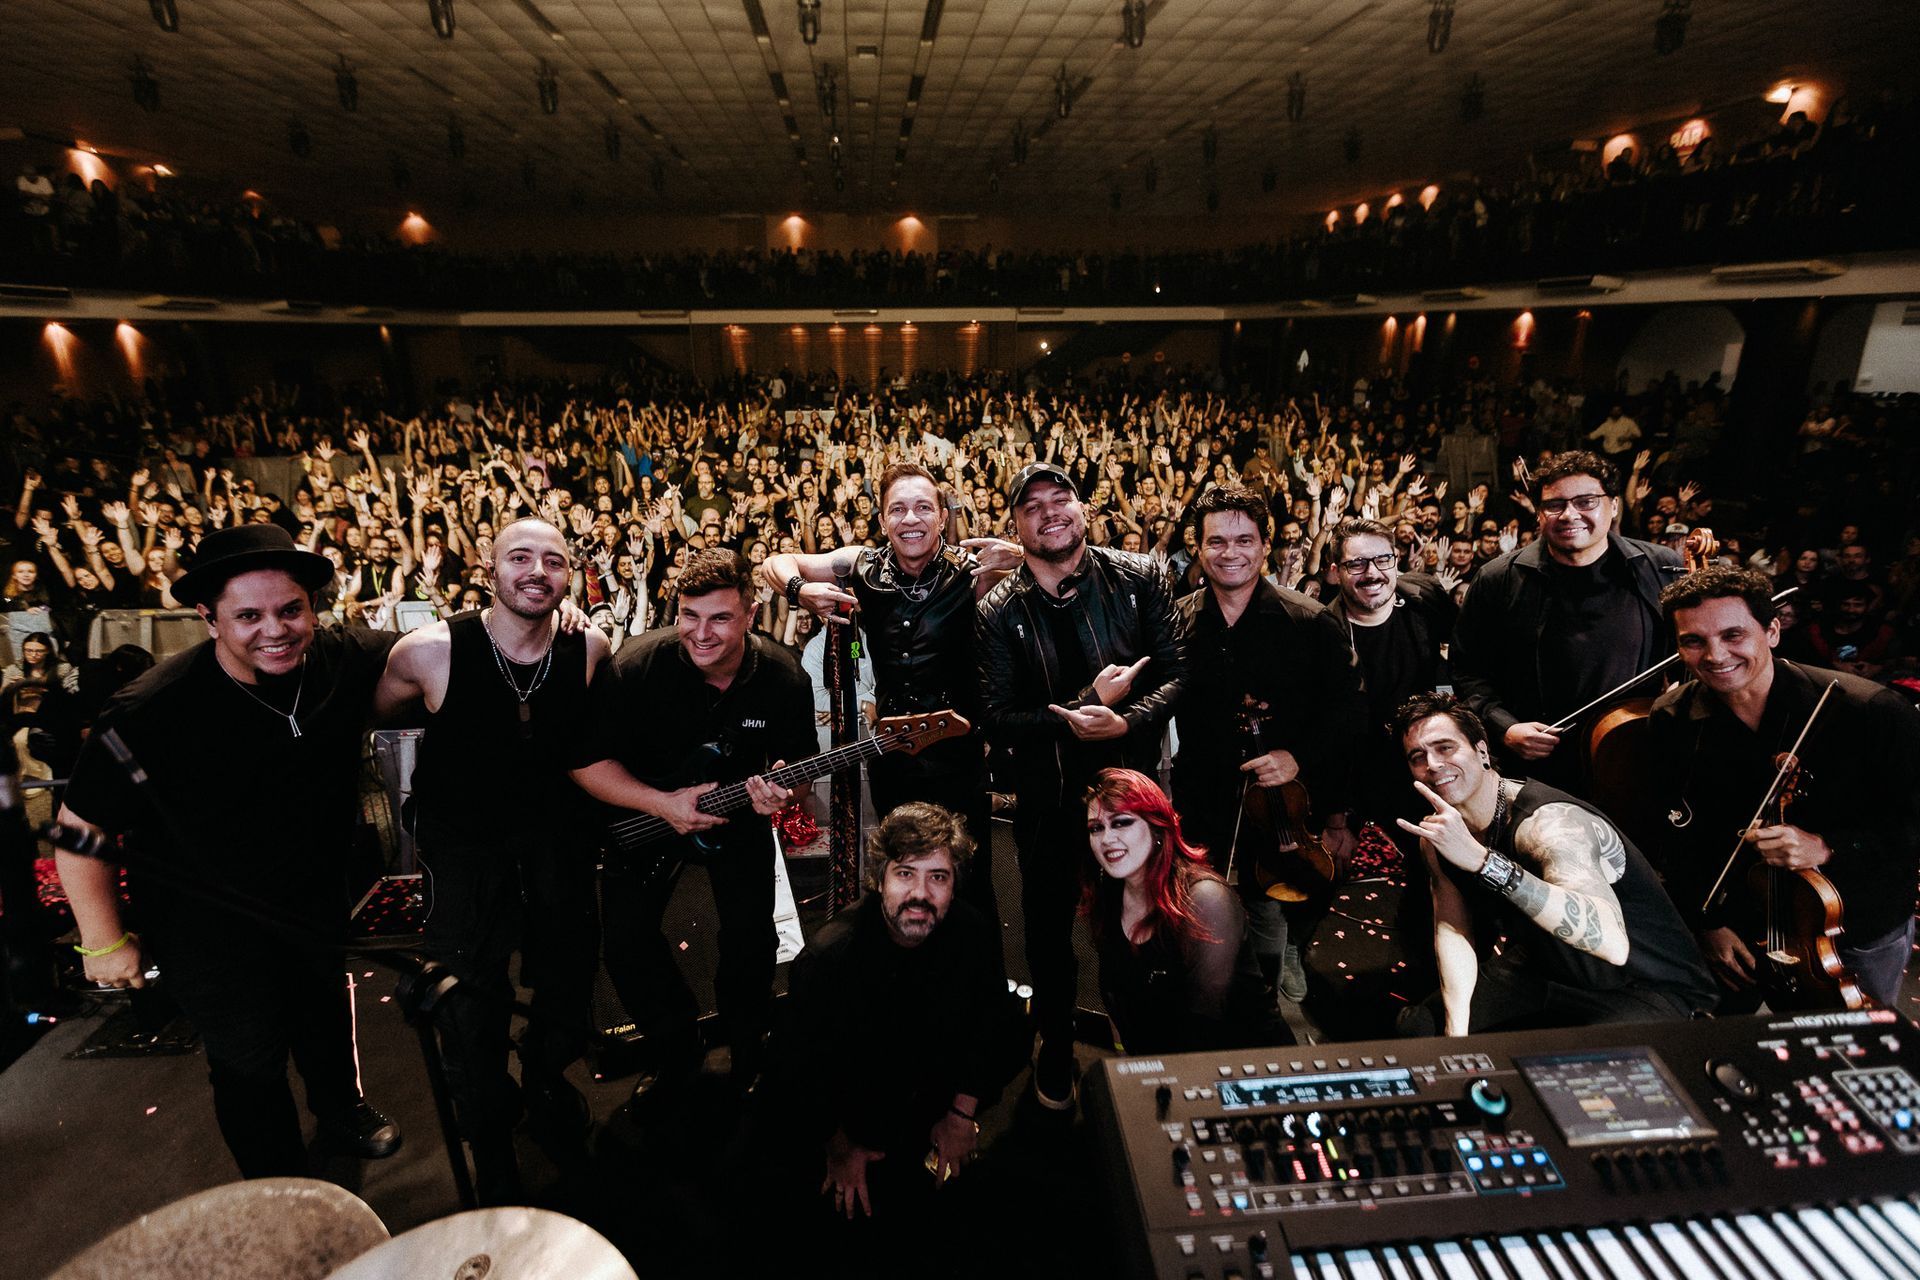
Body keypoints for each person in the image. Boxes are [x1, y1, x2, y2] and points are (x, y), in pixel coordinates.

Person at [53, 525, 404, 1178]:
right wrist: (102, 942)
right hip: (205, 924)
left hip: (310, 900)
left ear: (312, 608)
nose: (275, 630)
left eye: (290, 609)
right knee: (249, 1059)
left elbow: (439, 647)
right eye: (248, 616)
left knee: (325, 1017)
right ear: (208, 618)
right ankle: (277, 1186)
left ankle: (342, 1112)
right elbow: (78, 831)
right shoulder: (150, 708)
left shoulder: (342, 659)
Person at [374, 516, 609, 1202]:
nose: (537, 571)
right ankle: (490, 1133)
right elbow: (380, 712)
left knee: (565, 980)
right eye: (520, 557)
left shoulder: (589, 646)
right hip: (464, 850)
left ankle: (545, 1082)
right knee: (469, 996)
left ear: (570, 576)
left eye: (553, 561)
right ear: (490, 568)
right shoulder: (430, 651)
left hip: (557, 845)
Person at [976, 461, 1187, 1109]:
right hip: (1050, 801)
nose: (1049, 512)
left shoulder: (1140, 576)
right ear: (1016, 525)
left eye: (1059, 497)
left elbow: (1179, 673)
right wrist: (1083, 708)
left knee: (1142, 923)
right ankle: (1057, 1043)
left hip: (1132, 796)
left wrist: (1126, 720)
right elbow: (996, 717)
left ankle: (1146, 1039)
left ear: (1083, 507)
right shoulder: (998, 611)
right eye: (1031, 505)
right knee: (1047, 934)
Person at [1644, 566, 1920, 1010]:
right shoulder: (1671, 718)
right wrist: (1706, 923)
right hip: (1740, 925)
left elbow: (1909, 827)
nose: (1715, 655)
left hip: (1854, 922)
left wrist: (1828, 847)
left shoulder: (1872, 712)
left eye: (1733, 635)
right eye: (1693, 641)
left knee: (1850, 1042)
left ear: (1772, 631)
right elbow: (1671, 835)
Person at [592, 549, 814, 1097]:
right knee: (626, 943)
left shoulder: (784, 675)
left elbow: (801, 772)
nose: (701, 633)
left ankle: (748, 1051)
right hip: (643, 816)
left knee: (752, 941)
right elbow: (588, 762)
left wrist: (783, 792)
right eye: (690, 616)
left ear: (751, 614)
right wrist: (659, 803)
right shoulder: (635, 666)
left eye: (719, 618)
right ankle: (676, 1051)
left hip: (736, 815)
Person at [761, 462, 1021, 919]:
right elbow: (775, 563)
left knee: (969, 885)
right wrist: (800, 590)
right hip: (893, 757)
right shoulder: (862, 565)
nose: (911, 519)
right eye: (898, 509)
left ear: (942, 516)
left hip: (958, 757)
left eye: (923, 507)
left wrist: (1020, 554)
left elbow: (1059, 564)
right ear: (882, 520)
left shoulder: (973, 570)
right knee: (899, 879)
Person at [1393, 692, 1716, 1036]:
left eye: (1445, 748)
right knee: (1420, 1028)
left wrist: (1484, 862)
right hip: (1545, 966)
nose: (1433, 764)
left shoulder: (1551, 824)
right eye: (1418, 756)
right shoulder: (1438, 838)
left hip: (1643, 983)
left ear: (1482, 751)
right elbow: (1453, 931)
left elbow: (1611, 942)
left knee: (1579, 1062)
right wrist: (1457, 1032)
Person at [775, 801, 1015, 1262]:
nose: (920, 893)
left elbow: (992, 1027)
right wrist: (839, 1148)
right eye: (905, 874)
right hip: (854, 1118)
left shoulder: (972, 933)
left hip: (935, 1101)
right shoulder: (828, 960)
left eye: (938, 876)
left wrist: (961, 1115)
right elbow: (800, 1074)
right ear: (880, 878)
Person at [1170, 484, 1364, 1004]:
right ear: (1198, 547)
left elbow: (1348, 712)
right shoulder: (1177, 622)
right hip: (1202, 798)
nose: (1230, 553)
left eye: (1244, 541)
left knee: (1269, 911)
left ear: (1264, 545)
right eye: (1216, 541)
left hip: (1282, 805)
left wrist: (1299, 756)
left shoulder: (1310, 621)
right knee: (1200, 912)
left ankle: (1267, 999)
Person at [1450, 451, 1682, 791]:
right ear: (1539, 514)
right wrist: (1505, 727)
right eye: (1554, 505)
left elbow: (1687, 651)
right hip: (1536, 768)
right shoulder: (1497, 579)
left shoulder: (1660, 567)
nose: (1569, 514)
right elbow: (1467, 669)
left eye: (1586, 501)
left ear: (1614, 505)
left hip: (1632, 754)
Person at [1084, 768, 1287, 1053]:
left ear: (1157, 828)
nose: (1106, 839)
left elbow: (1204, 1026)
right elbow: (1114, 990)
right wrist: (1124, 1054)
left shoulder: (1206, 899)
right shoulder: (1109, 893)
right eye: (1096, 828)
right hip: (1166, 1057)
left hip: (1244, 1059)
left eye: (1121, 823)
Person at [1321, 517, 1456, 855]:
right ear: (1336, 571)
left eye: (1383, 559)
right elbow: (1327, 737)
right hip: (1363, 779)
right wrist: (1336, 818)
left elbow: (1468, 663)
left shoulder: (1425, 598)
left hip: (1428, 767)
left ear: (1396, 561)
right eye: (1356, 563)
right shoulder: (1322, 633)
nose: (1372, 573)